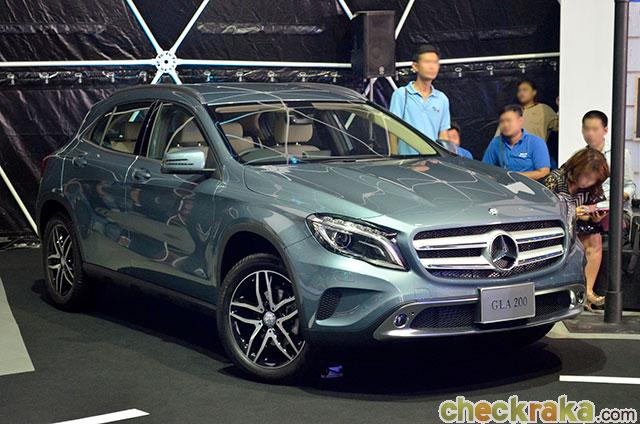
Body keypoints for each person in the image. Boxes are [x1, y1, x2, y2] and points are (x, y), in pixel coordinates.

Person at [543, 148, 610, 310]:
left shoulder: (592, 187)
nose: (588, 182)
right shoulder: (555, 179)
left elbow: (596, 205)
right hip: (556, 225)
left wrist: (595, 216)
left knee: (595, 237)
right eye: (586, 176)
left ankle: (588, 291)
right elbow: (546, 211)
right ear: (577, 168)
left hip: (578, 223)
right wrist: (573, 211)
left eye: (593, 179)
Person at [389, 44, 450, 154]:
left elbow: (443, 134)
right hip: (408, 160)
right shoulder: (402, 94)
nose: (432, 66)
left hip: (434, 160)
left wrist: (444, 158)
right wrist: (394, 156)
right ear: (415, 66)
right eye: (427, 62)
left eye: (435, 62)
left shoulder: (442, 98)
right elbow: (392, 129)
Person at [581, 110, 636, 213]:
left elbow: (630, 186)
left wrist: (620, 197)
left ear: (605, 130)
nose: (590, 133)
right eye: (586, 129)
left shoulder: (620, 154)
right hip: (588, 208)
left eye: (595, 129)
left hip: (615, 210)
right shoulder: (580, 156)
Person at [482, 105, 551, 180]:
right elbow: (484, 169)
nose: (505, 125)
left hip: (528, 185)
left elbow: (543, 172)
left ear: (520, 121)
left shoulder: (535, 142)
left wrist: (512, 176)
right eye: (502, 121)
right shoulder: (496, 142)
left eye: (509, 121)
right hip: (503, 185)